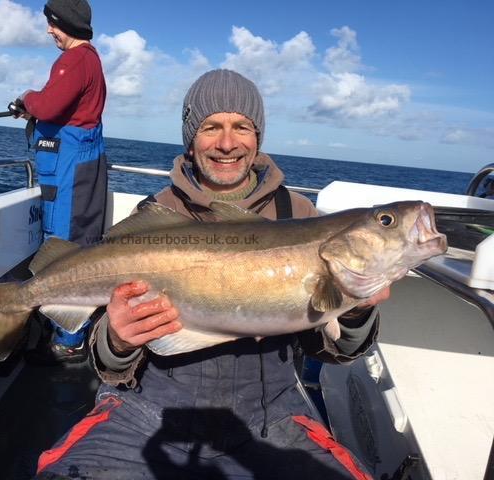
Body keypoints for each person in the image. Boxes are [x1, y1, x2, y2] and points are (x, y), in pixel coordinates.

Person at [34, 69, 388, 479]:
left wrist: (356, 311)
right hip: (148, 409)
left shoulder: (299, 216)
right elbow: (108, 363)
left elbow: (334, 351)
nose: (226, 143)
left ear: (258, 138)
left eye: (242, 126)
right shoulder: (155, 216)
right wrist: (116, 338)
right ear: (191, 137)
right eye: (210, 127)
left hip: (272, 416)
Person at [11, 0, 106, 364]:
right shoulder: (90, 61)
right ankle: (66, 330)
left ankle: (70, 338)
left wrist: (27, 99)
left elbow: (49, 107)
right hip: (75, 169)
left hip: (70, 173)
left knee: (65, 251)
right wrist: (34, 107)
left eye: (53, 23)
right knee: (72, 247)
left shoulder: (75, 60)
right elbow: (61, 108)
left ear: (67, 23)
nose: (50, 30)